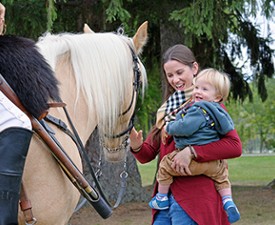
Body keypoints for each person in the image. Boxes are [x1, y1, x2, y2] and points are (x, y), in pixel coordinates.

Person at [130, 44, 242, 225]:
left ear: (194, 68)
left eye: (180, 72)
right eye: (170, 75)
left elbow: (234, 146)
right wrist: (135, 145)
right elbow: (147, 154)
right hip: (165, 200)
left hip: (196, 200)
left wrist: (191, 151)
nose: (175, 80)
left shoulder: (209, 106)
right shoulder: (168, 110)